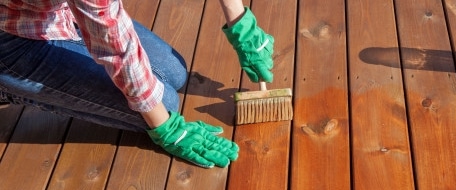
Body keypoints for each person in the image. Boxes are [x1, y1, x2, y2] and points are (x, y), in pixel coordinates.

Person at [0, 0, 274, 168]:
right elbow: (117, 50)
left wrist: (241, 24)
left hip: (59, 12)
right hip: (12, 38)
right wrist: (167, 129)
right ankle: (8, 86)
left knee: (173, 72)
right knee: (163, 106)